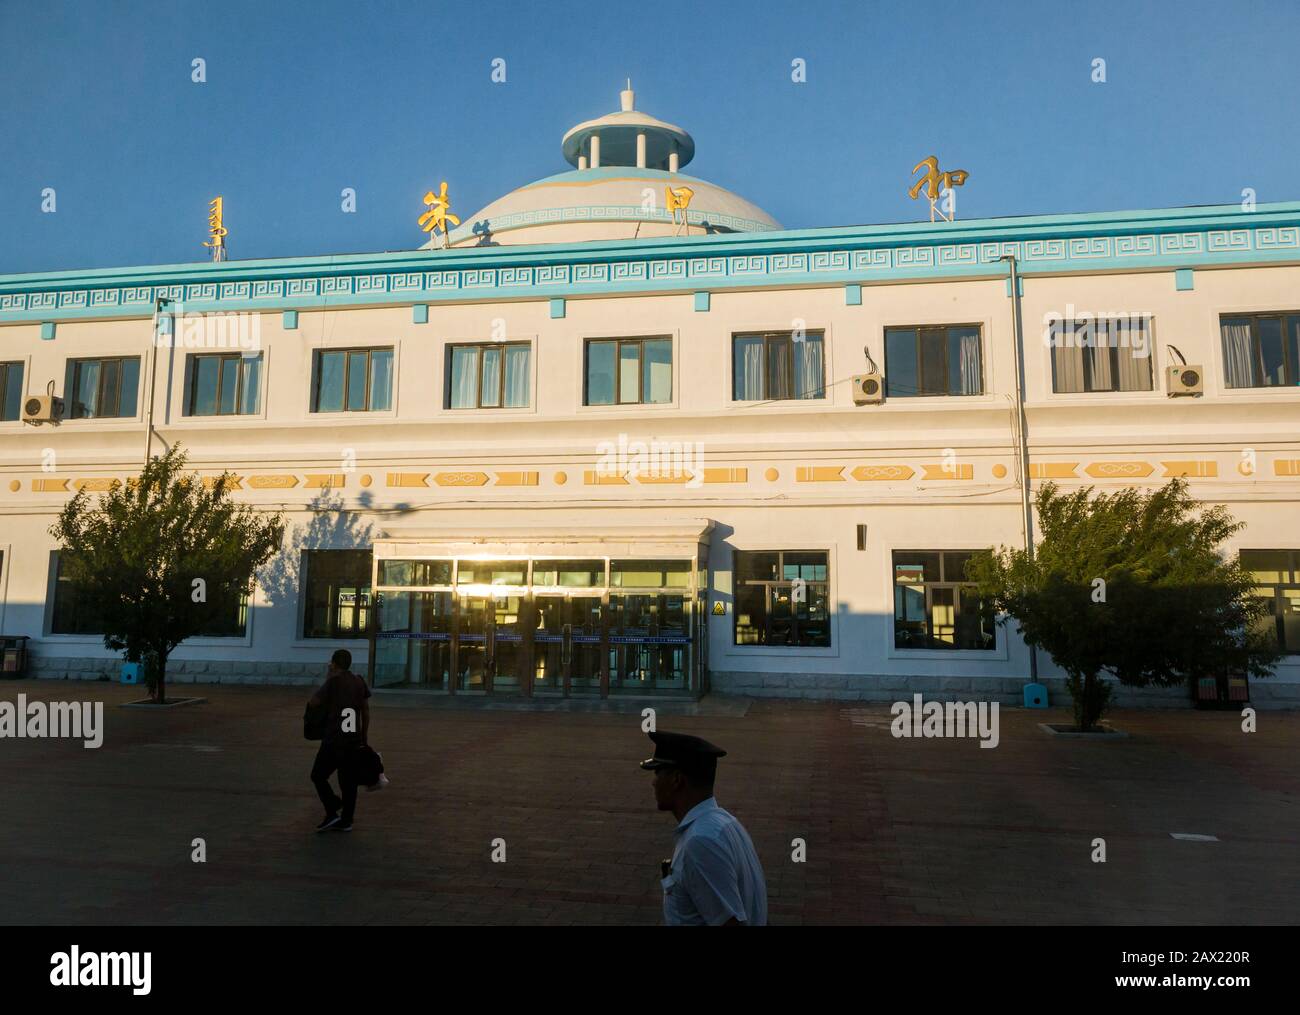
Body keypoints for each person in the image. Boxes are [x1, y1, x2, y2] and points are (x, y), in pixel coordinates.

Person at [640, 730, 767, 925]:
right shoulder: (725, 823)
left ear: (676, 780)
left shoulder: (701, 841)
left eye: (658, 773)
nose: (653, 782)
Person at [308, 649, 371, 832]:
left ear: (334, 664)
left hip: (335, 738)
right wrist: (364, 736)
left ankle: (333, 806)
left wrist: (328, 677)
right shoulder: (359, 681)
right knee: (349, 782)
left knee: (318, 775)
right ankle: (347, 820)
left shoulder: (333, 682)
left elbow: (314, 702)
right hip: (353, 736)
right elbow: (365, 711)